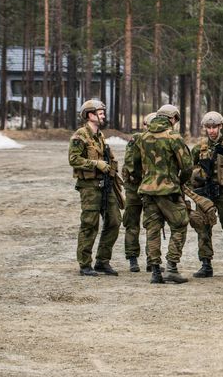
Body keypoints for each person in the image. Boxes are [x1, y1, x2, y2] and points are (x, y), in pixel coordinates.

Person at [128, 104, 193, 284]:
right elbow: (187, 166)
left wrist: (147, 179)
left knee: (152, 230)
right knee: (180, 225)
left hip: (147, 192)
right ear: (172, 119)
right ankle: (171, 267)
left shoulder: (142, 137)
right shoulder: (174, 137)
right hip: (169, 191)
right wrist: (179, 181)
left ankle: (155, 271)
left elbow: (133, 165)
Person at [188, 111, 223, 278]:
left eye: (215, 127)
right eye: (208, 127)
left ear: (221, 126)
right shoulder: (199, 148)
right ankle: (206, 263)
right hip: (205, 192)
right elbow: (189, 169)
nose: (212, 131)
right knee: (203, 226)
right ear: (205, 128)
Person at [69, 99, 121, 277]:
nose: (103, 115)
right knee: (90, 224)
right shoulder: (80, 135)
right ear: (90, 115)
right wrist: (95, 164)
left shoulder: (100, 136)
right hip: (89, 187)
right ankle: (85, 264)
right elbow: (73, 159)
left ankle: (102, 260)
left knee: (114, 220)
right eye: (100, 112)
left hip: (105, 184)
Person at [121, 112, 156, 272]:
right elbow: (130, 164)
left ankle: (149, 260)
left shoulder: (157, 140)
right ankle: (134, 260)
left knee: (150, 224)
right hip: (137, 188)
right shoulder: (138, 139)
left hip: (146, 188)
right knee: (133, 224)